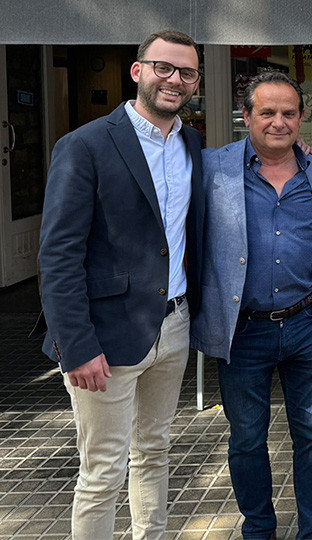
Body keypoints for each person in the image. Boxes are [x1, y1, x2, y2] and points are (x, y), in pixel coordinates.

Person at [36, 29, 204, 539]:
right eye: (164, 67)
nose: (175, 80)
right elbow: (58, 254)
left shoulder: (191, 142)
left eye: (187, 72)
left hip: (173, 326)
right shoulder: (84, 145)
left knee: (154, 452)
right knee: (103, 470)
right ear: (138, 71)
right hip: (104, 339)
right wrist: (76, 345)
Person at [190, 72, 312, 540]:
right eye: (268, 113)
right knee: (248, 439)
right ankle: (259, 529)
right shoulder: (214, 167)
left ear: (302, 118)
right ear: (247, 116)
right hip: (243, 329)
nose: (279, 122)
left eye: (289, 113)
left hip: (308, 322)